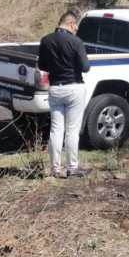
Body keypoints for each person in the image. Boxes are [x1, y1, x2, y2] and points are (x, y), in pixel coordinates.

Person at [37, 11, 91, 179]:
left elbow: (42, 65)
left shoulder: (46, 40)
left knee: (56, 129)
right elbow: (85, 67)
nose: (76, 30)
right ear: (72, 24)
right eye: (76, 27)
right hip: (74, 87)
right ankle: (72, 168)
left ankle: (55, 169)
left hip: (55, 88)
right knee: (72, 131)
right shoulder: (75, 41)